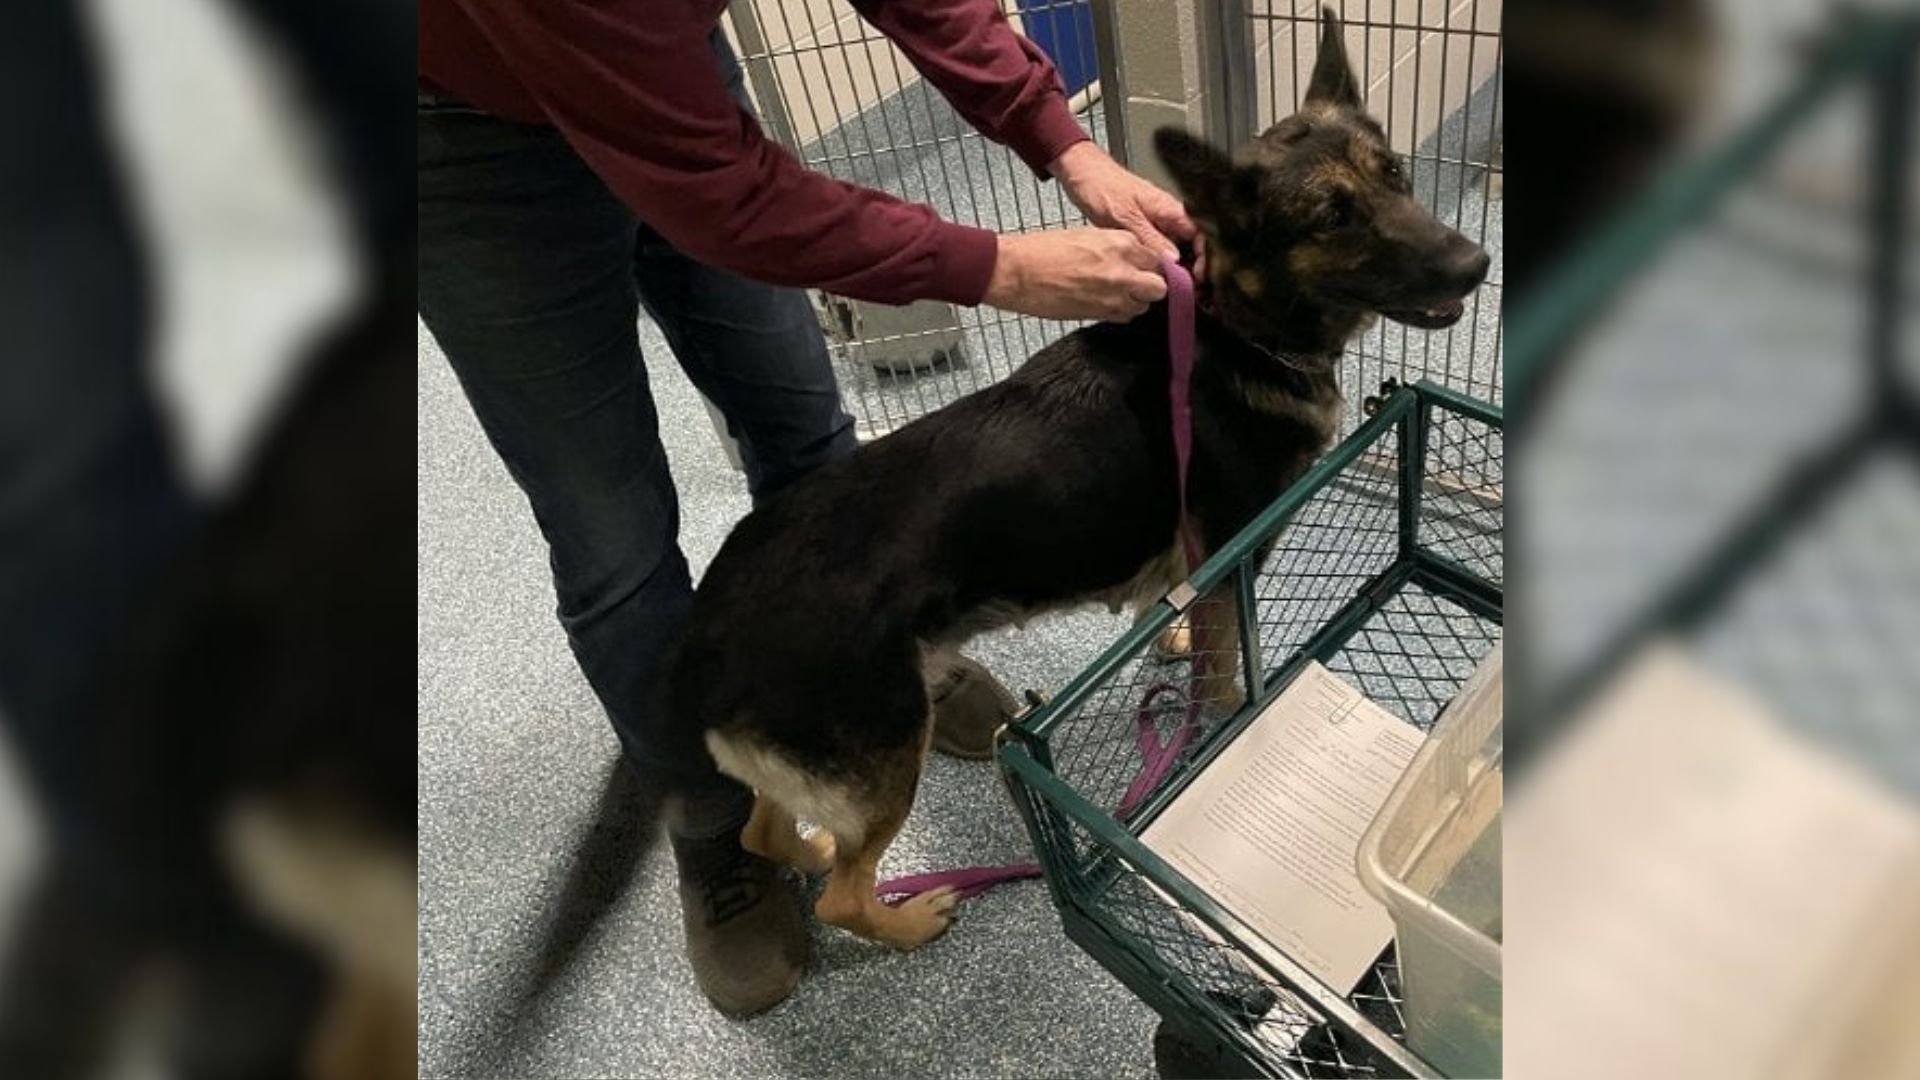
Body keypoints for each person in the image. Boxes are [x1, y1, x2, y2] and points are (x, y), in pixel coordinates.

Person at [417, 0, 1194, 1016]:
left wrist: (1064, 145)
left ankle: (908, 658)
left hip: (676, 75)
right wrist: (999, 267)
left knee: (810, 436)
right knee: (610, 535)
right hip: (460, 137)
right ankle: (716, 820)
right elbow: (730, 204)